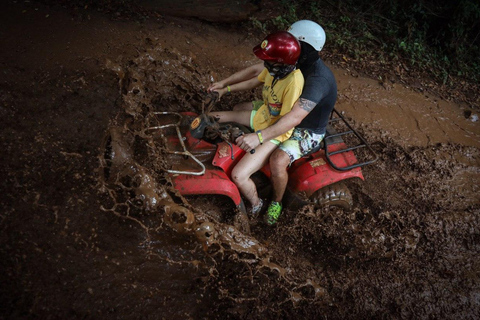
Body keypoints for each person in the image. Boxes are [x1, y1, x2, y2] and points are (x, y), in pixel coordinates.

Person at [208, 20, 337, 225]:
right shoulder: (290, 58)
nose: (288, 43)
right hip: (276, 109)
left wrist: (258, 137)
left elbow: (294, 118)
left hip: (304, 128)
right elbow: (255, 72)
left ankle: (276, 201)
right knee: (238, 109)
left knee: (278, 160)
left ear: (305, 46)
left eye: (293, 40)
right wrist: (224, 85)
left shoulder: (317, 79)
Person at [209, 31, 304, 217]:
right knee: (214, 116)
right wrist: (225, 89)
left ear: (282, 62)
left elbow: (286, 122)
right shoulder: (274, 71)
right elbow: (253, 81)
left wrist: (258, 137)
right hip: (264, 116)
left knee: (239, 175)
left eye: (269, 61)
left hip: (275, 133)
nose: (265, 64)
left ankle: (256, 204)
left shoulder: (293, 83)